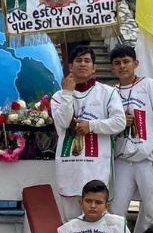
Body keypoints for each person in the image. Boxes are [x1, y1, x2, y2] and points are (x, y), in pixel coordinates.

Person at [51, 46, 126, 222]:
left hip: (96, 163)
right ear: (70, 66)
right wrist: (68, 93)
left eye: (87, 61)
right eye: (78, 60)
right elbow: (62, 122)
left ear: (94, 67)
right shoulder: (58, 96)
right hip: (70, 164)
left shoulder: (108, 93)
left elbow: (119, 122)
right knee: (70, 220)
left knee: (97, 216)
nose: (82, 64)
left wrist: (91, 125)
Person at [109, 44, 153, 233]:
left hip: (149, 158)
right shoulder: (110, 93)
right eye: (117, 63)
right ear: (112, 68)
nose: (122, 66)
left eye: (126, 61)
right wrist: (120, 123)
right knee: (116, 210)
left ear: (135, 63)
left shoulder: (152, 87)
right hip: (122, 159)